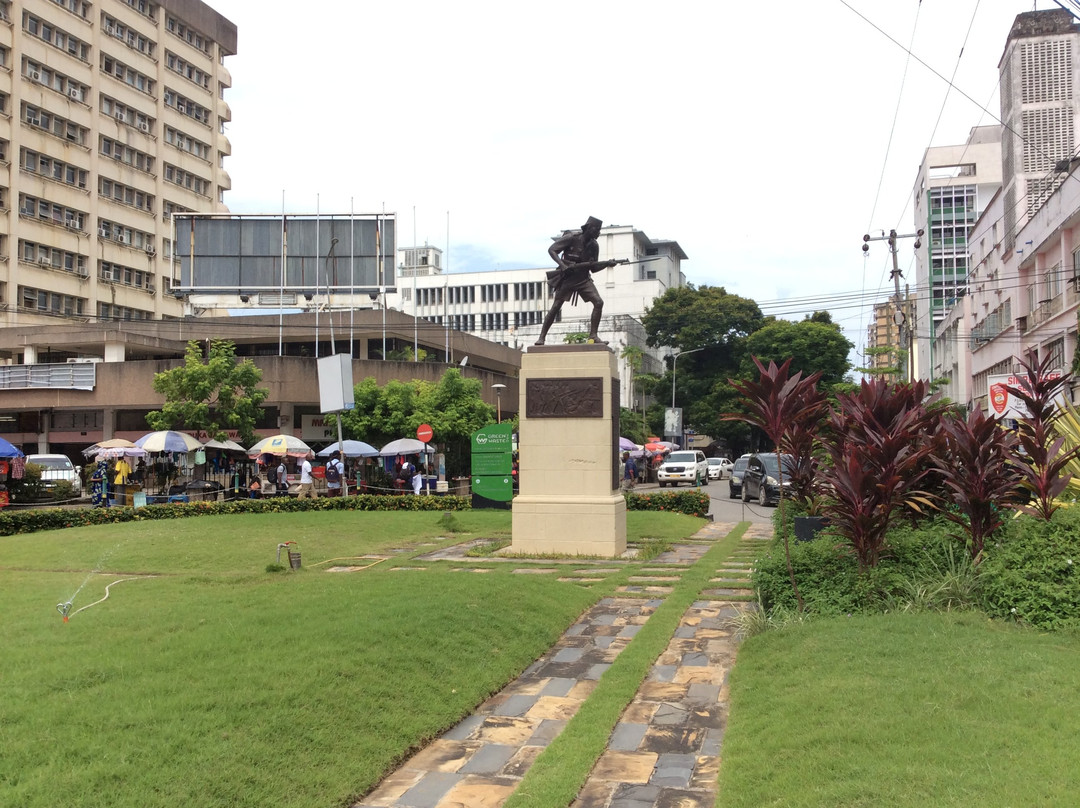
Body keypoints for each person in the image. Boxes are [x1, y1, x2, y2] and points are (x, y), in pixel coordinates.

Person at [535, 216, 621, 346]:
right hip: (568, 279)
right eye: (597, 230)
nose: (598, 233)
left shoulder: (594, 245)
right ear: (589, 228)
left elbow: (594, 268)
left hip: (583, 279)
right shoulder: (572, 238)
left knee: (598, 302)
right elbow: (552, 250)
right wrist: (563, 265)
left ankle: (593, 335)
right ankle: (541, 337)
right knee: (556, 307)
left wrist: (607, 264)